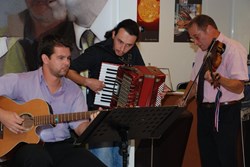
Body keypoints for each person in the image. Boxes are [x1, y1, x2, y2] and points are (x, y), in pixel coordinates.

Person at [67, 19, 169, 167]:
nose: (122, 49)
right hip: (99, 116)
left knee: (119, 163)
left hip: (123, 118)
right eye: (120, 42)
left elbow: (143, 78)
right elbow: (69, 71)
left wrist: (157, 90)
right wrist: (87, 81)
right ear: (114, 34)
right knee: (103, 162)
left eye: (128, 45)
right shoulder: (97, 51)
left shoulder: (133, 53)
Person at [0, 34, 106, 167]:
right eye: (61, 58)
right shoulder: (20, 81)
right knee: (37, 158)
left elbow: (80, 128)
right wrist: (3, 115)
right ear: (45, 59)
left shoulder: (74, 90)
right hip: (27, 147)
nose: (67, 63)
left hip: (62, 146)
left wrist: (94, 124)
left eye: (68, 58)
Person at [177, 14, 249, 167]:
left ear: (209, 29)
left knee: (226, 160)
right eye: (193, 39)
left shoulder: (233, 48)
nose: (195, 42)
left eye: (197, 37)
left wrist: (220, 79)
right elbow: (194, 82)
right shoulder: (201, 51)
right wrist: (183, 99)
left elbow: (239, 86)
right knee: (208, 159)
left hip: (225, 113)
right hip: (204, 112)